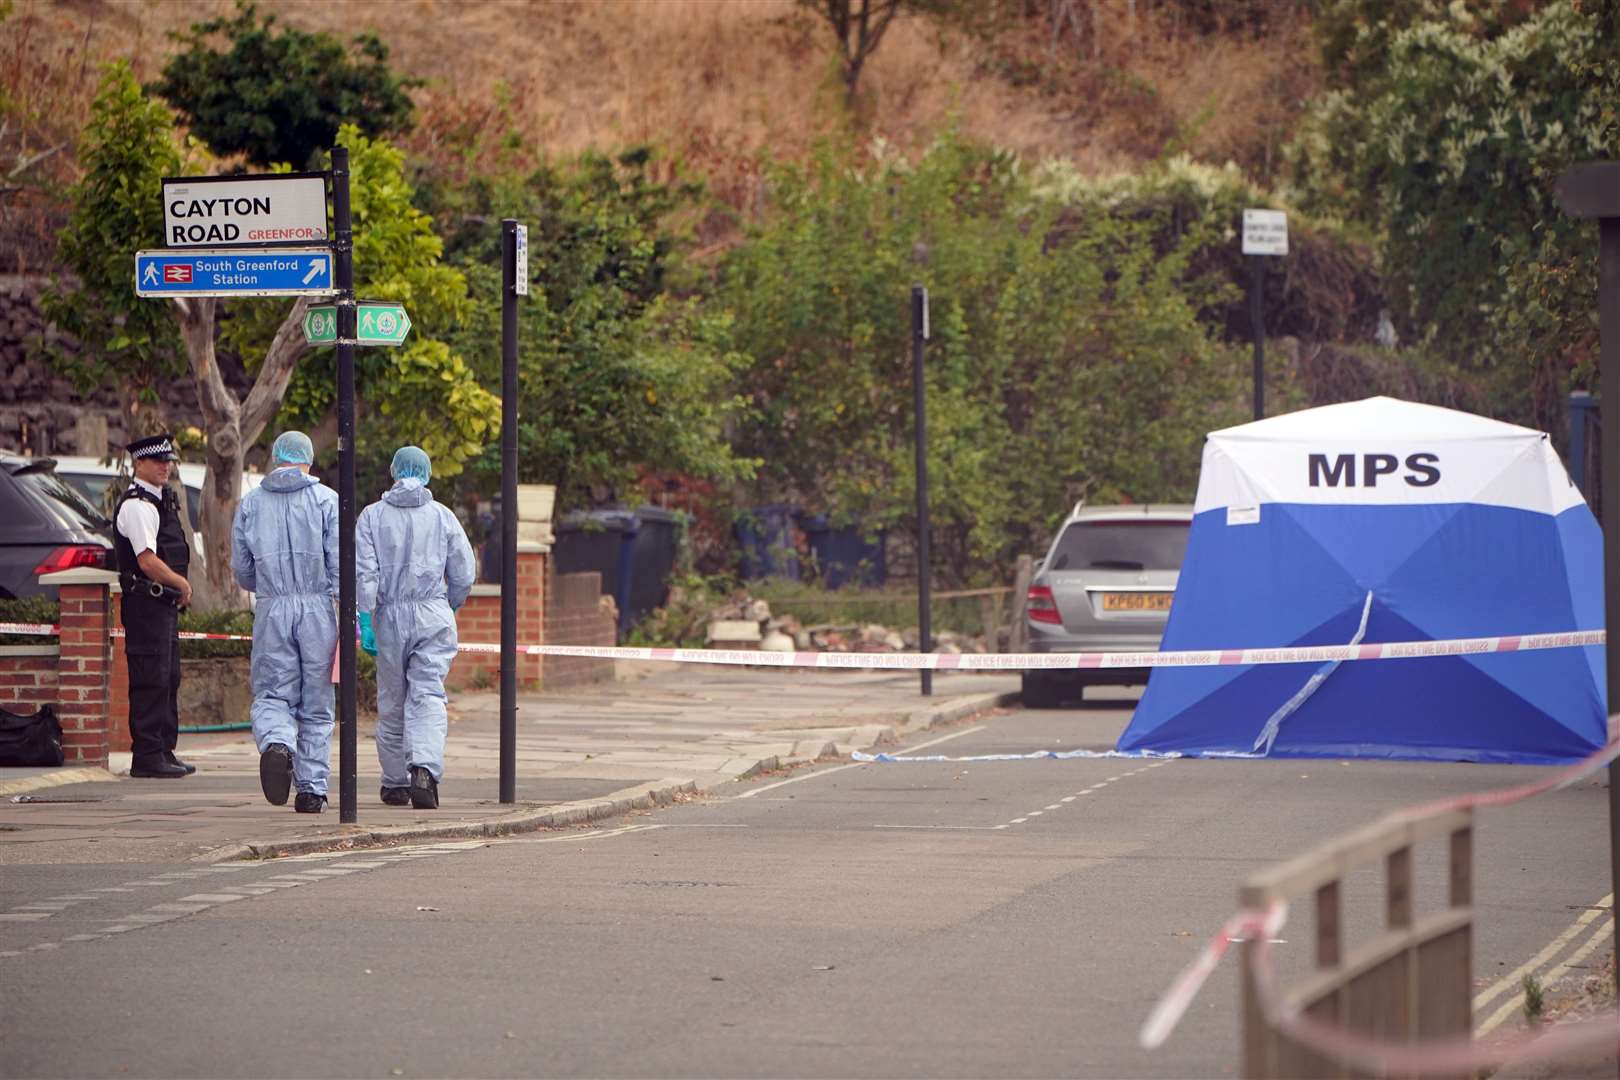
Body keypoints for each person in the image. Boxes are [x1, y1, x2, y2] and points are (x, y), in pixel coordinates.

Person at [356, 445, 475, 809]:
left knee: (392, 698)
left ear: (393, 472)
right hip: (432, 612)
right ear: (426, 473)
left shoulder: (372, 517)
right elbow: (464, 571)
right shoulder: (443, 517)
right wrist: (450, 604)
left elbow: (365, 574)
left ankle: (394, 782)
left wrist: (366, 617)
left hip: (390, 615)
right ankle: (423, 768)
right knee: (427, 693)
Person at [231, 431, 339, 813]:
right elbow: (339, 564)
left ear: (276, 458)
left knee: (274, 692)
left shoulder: (251, 504)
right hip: (317, 610)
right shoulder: (327, 501)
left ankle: (277, 742)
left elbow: (242, 570)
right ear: (308, 460)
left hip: (273, 607)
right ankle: (311, 789)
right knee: (317, 700)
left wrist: (270, 586)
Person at [113, 434, 192, 779]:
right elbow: (146, 561)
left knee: (168, 676)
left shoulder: (159, 502)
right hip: (146, 603)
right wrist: (181, 583)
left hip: (162, 604)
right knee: (150, 677)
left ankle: (163, 749)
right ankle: (146, 755)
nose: (165, 466)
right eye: (158, 461)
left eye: (168, 461)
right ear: (139, 463)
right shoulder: (137, 505)